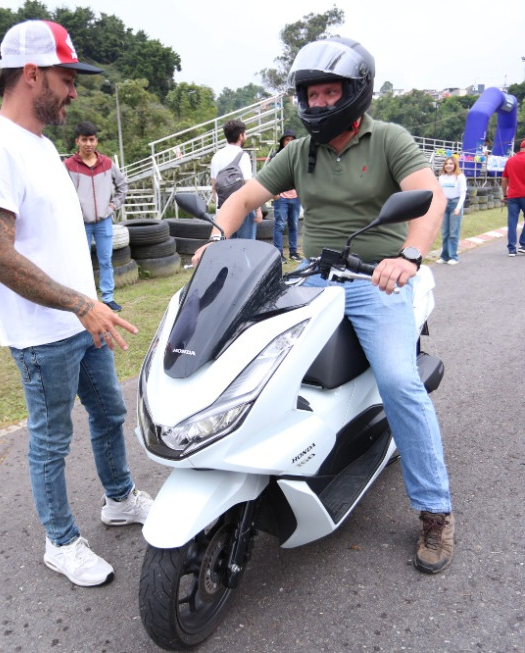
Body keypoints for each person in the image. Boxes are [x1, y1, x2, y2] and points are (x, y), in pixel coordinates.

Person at [193, 37, 454, 574]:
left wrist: (409, 255)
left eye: (330, 92)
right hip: (312, 276)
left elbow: (431, 196)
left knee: (399, 382)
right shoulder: (300, 151)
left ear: (355, 93)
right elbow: (244, 198)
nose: (318, 104)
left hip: (376, 279)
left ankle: (435, 510)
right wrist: (217, 236)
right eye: (311, 95)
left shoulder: (389, 140)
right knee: (247, 355)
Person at [0, 19, 153, 588]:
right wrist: (79, 304)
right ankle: (61, 542)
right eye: (67, 78)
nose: (73, 91)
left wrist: (87, 305)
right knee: (50, 440)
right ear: (32, 73)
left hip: (82, 318)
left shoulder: (41, 146)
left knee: (110, 414)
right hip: (44, 333)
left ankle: (119, 499)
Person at [65, 121, 127, 312]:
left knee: (106, 260)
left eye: (91, 139)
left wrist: (112, 206)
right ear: (77, 141)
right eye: (84, 140)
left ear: (96, 141)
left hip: (103, 221)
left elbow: (122, 186)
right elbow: (59, 193)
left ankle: (108, 298)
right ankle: (86, 299)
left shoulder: (107, 163)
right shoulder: (68, 166)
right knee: (80, 262)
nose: (88, 144)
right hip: (80, 224)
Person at [210, 119, 262, 239]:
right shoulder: (242, 156)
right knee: (246, 249)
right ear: (240, 136)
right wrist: (258, 209)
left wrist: (218, 210)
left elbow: (214, 187)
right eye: (245, 134)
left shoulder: (216, 156)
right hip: (242, 210)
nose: (246, 136)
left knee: (227, 250)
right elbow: (249, 186)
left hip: (222, 211)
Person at [268, 129, 302, 263]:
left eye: (292, 139)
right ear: (282, 142)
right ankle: (278, 254)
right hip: (281, 198)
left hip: (295, 197)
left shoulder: (299, 157)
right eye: (287, 139)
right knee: (280, 225)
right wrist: (275, 194)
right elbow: (269, 176)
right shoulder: (276, 157)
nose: (289, 142)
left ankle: (293, 252)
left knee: (294, 225)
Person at [436, 156, 467, 265]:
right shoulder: (442, 177)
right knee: (445, 232)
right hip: (444, 204)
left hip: (455, 203)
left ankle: (453, 256)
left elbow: (463, 193)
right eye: (446, 164)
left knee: (453, 233)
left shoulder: (459, 177)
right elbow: (439, 193)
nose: (448, 166)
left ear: (455, 165)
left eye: (451, 164)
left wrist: (458, 207)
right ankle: (444, 256)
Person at [501, 139, 525, 257]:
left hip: (513, 196)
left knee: (512, 221)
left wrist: (505, 194)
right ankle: (523, 244)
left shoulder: (510, 160)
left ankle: (511, 248)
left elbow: (504, 179)